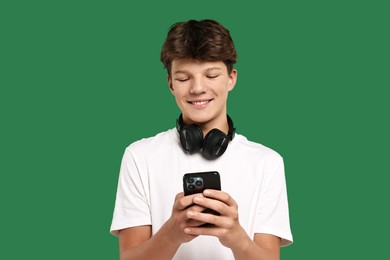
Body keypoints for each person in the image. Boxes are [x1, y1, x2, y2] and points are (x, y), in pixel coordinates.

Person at [110, 19, 293, 259]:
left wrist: (236, 237)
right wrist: (173, 232)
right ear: (170, 84)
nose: (197, 88)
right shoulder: (139, 156)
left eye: (211, 75)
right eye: (184, 78)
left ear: (231, 78)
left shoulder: (267, 162)